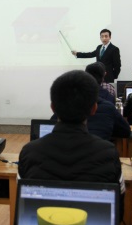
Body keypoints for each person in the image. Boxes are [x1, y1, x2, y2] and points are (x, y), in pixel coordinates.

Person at [19, 70, 125, 217]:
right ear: (94, 108)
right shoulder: (109, 153)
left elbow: (23, 207)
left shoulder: (29, 151)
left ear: (53, 108)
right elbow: (119, 212)